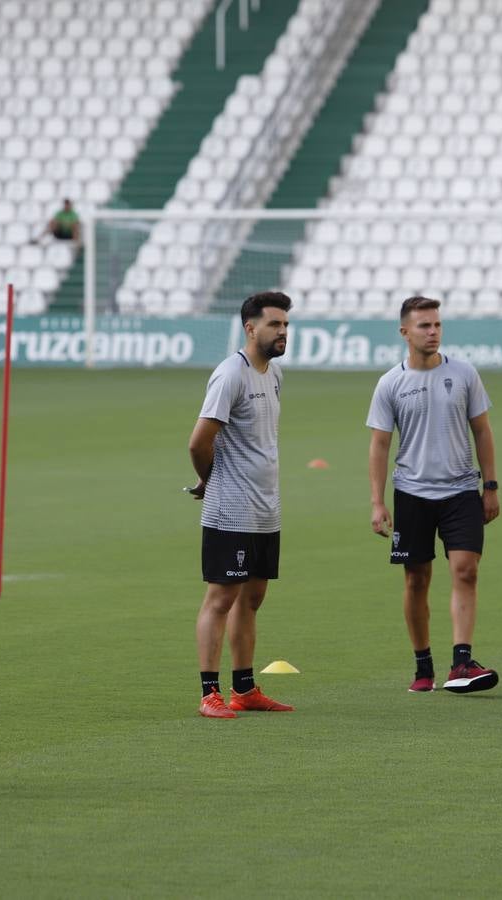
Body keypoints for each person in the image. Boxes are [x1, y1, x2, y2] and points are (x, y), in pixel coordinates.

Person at [367, 296, 501, 694]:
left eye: (438, 325)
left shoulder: (463, 374)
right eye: (424, 326)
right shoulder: (390, 383)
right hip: (412, 493)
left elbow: (482, 430)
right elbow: (379, 446)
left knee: (466, 569)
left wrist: (490, 486)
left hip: (461, 489)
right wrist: (377, 502)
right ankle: (423, 665)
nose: (433, 332)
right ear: (405, 332)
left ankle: (461, 662)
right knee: (416, 581)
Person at [188, 292, 296, 718]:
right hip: (230, 508)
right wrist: (208, 480)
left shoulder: (274, 374)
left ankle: (245, 688)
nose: (283, 331)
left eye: (286, 324)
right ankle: (209, 693)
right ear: (251, 329)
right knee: (221, 597)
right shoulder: (230, 374)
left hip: (266, 508)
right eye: (274, 324)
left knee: (253, 597)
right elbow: (199, 441)